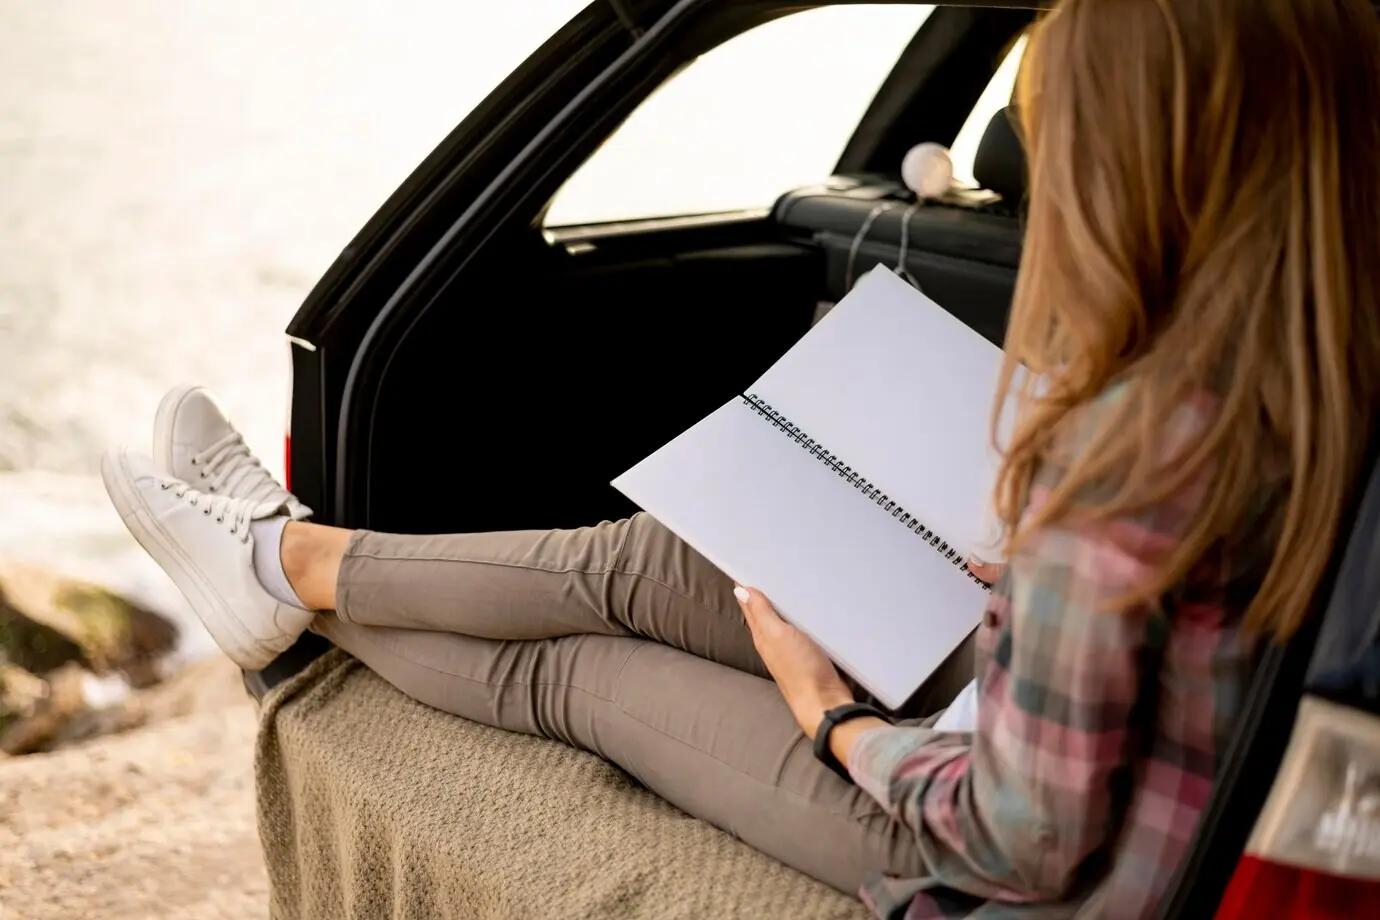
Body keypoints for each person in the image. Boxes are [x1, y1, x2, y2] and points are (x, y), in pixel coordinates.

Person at [101, 0, 1380, 916]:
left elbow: (1021, 838)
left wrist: (830, 718)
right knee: (653, 561)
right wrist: (1034, 596)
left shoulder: (1123, 459)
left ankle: (275, 578)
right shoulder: (1311, 379)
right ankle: (289, 556)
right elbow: (1174, 642)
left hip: (1000, 859)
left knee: (582, 681)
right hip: (1041, 712)